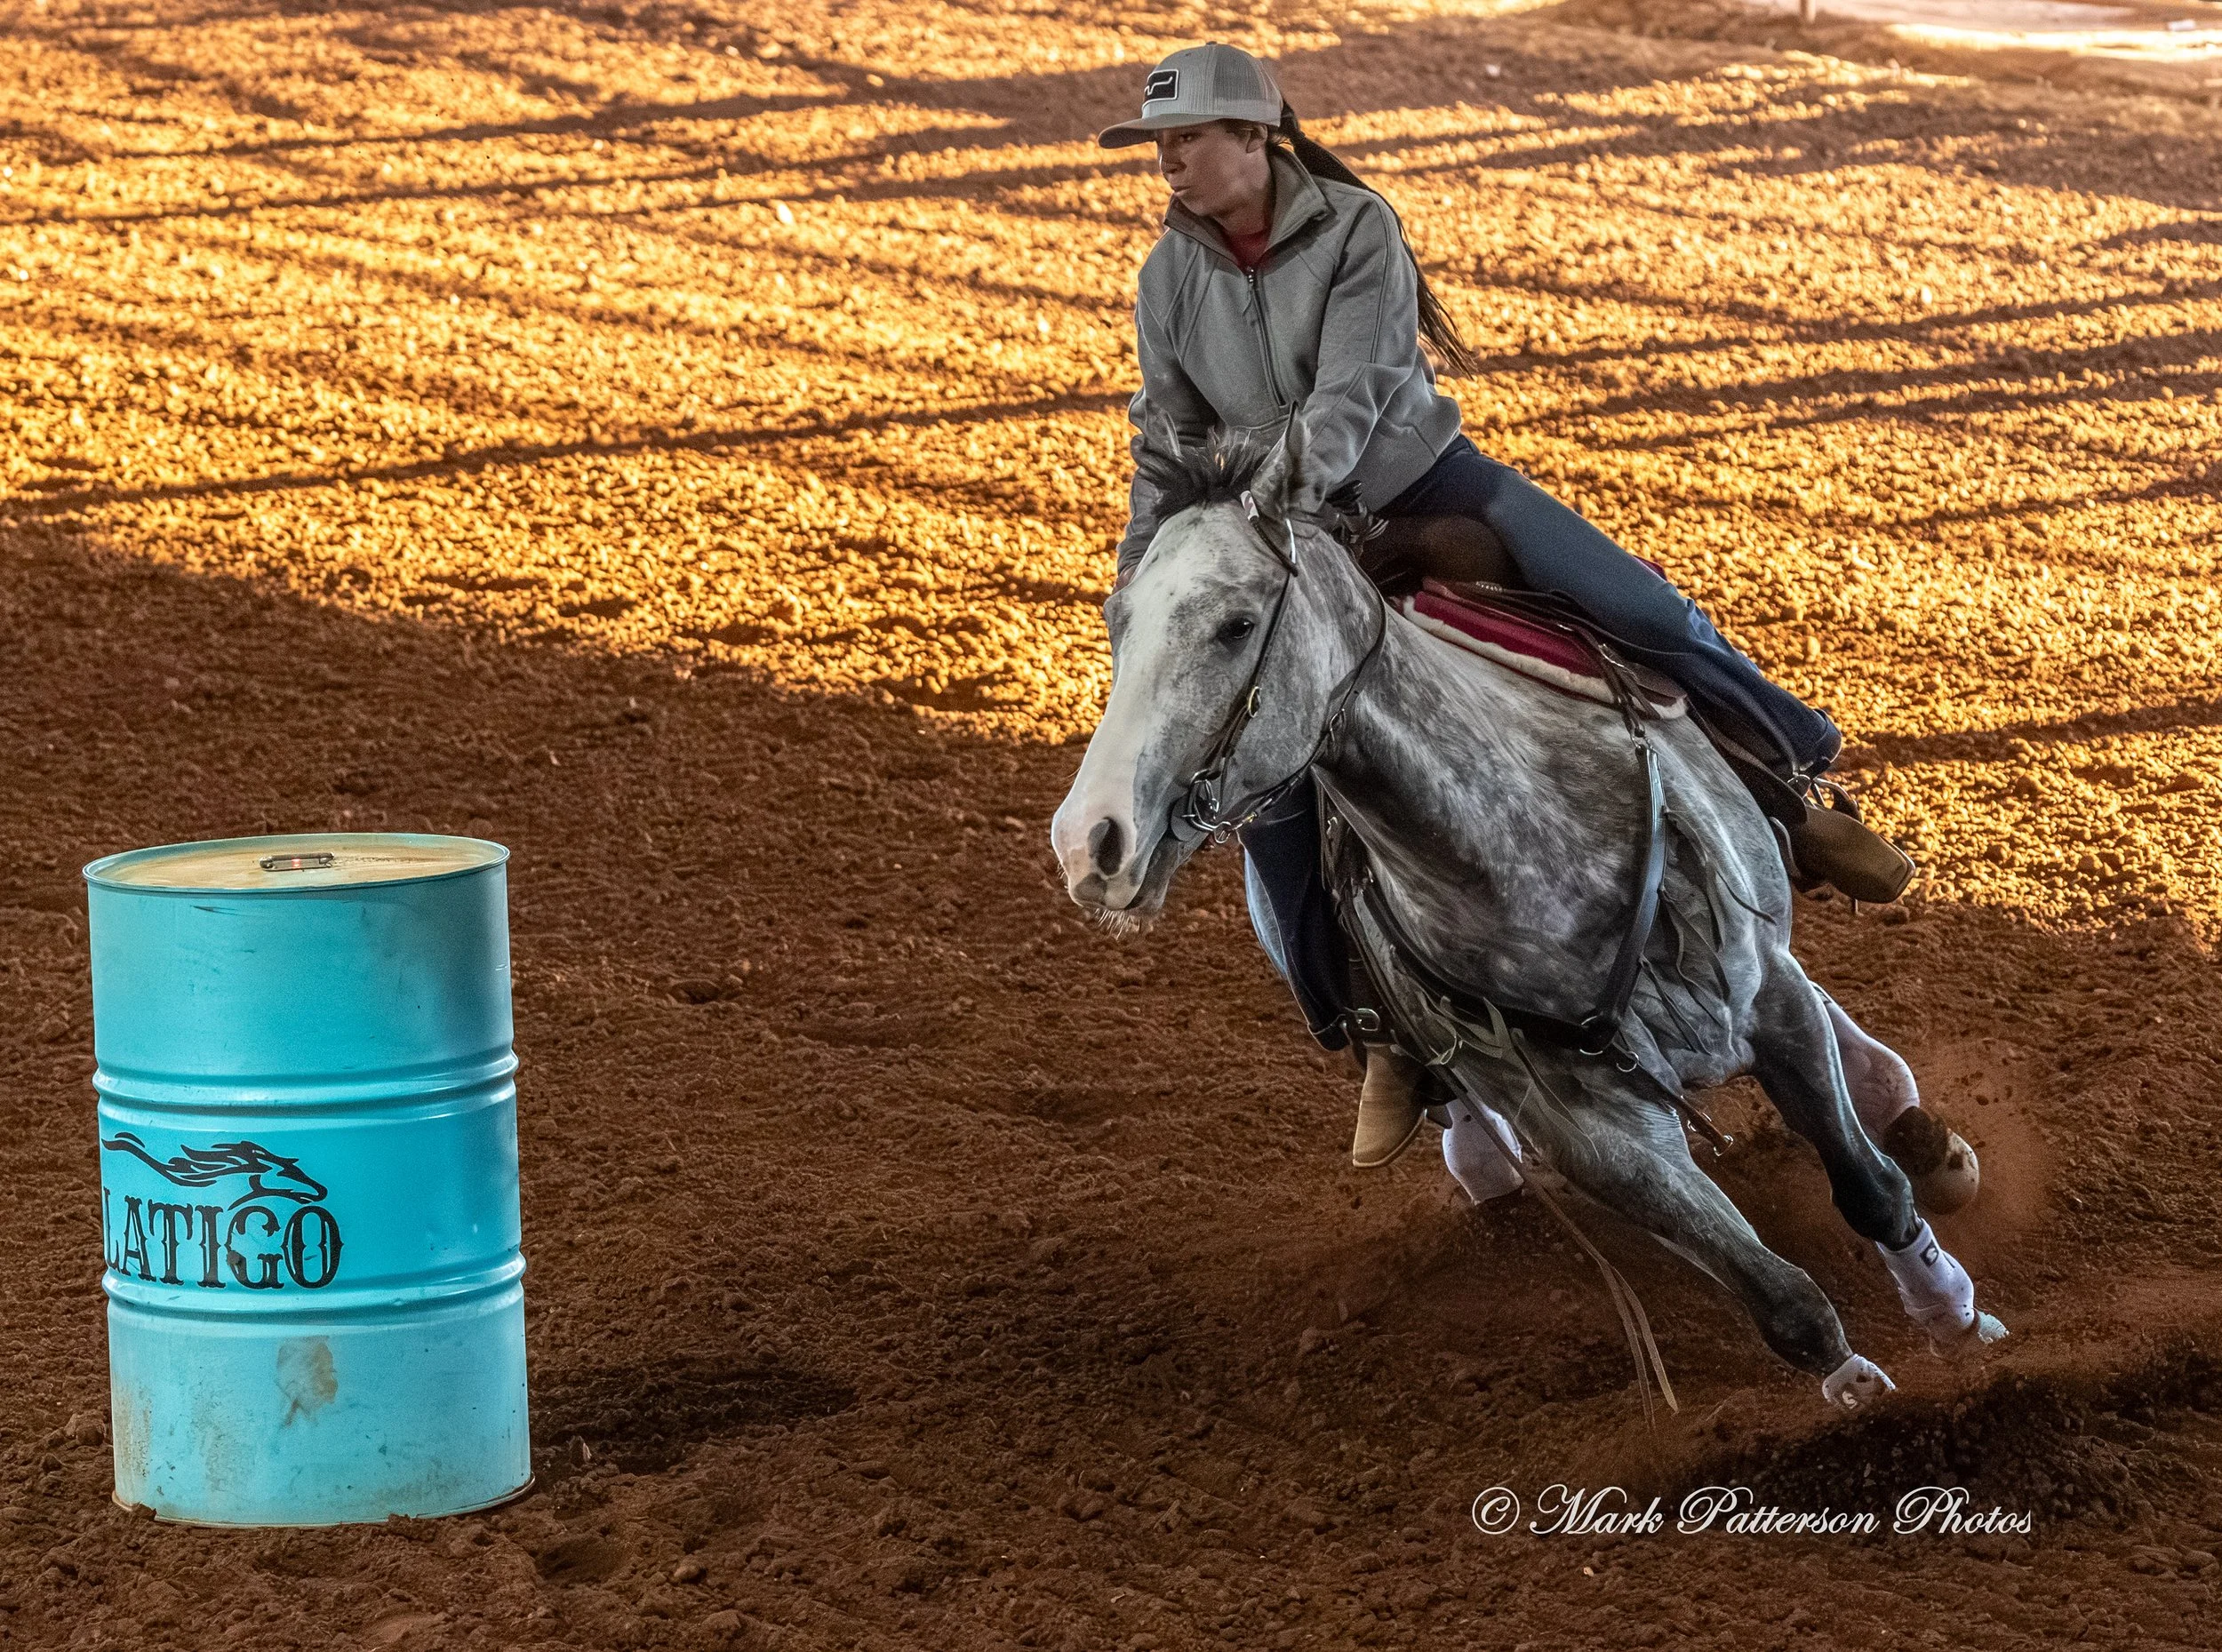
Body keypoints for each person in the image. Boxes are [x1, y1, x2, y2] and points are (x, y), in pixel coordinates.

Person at [1099, 43, 1904, 1171]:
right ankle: (1378, 1028)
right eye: (1159, 143)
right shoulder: (1166, 278)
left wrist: (1277, 504)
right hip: (1282, 546)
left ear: (1254, 137)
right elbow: (1166, 443)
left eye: (1186, 138)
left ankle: (1790, 786)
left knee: (1640, 610)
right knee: (1268, 799)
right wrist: (1142, 575)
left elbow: (1353, 398)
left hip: (1423, 489)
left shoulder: (1356, 228)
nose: (1168, 160)